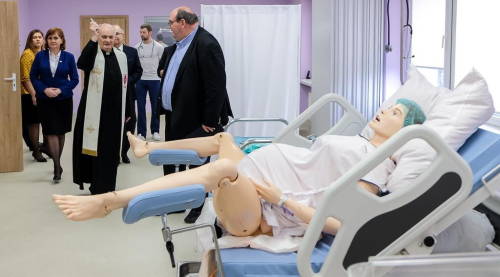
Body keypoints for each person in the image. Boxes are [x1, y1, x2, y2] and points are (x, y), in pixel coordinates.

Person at [53, 100, 425, 239]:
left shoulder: (378, 167)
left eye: (396, 113)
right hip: (258, 175)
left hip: (263, 209)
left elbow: (346, 225)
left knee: (223, 169)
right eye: (389, 105)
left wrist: (283, 200)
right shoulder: (361, 143)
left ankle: (109, 201)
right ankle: (147, 147)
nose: (385, 109)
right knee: (221, 140)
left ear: (406, 131)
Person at [157, 6, 233, 223]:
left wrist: (210, 122)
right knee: (171, 160)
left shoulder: (206, 44)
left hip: (198, 120)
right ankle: (175, 201)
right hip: (175, 115)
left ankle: (196, 206)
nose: (169, 27)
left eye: (171, 22)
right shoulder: (177, 47)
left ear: (182, 22)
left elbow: (216, 85)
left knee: (197, 166)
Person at [72, 21, 128, 194]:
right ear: (98, 38)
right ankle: (96, 184)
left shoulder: (121, 56)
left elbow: (127, 85)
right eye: (104, 36)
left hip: (114, 114)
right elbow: (81, 63)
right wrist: (93, 38)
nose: (108, 40)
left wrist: (128, 111)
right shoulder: (93, 54)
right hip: (94, 112)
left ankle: (108, 185)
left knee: (110, 152)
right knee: (95, 150)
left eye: (111, 37)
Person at [30, 28, 79, 182]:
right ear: (47, 41)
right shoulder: (40, 56)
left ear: (61, 40)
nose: (52, 40)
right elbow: (33, 76)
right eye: (50, 38)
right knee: (50, 131)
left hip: (63, 99)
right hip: (45, 100)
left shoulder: (69, 57)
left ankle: (57, 162)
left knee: (61, 132)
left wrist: (61, 90)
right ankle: (57, 166)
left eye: (56, 38)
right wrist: (44, 89)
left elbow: (75, 79)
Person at [113, 25, 143, 164]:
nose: (116, 36)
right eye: (113, 34)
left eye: (118, 33)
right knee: (113, 124)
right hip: (111, 95)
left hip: (129, 94)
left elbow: (138, 70)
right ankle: (113, 153)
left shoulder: (131, 51)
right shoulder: (104, 52)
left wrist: (128, 81)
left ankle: (124, 152)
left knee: (130, 124)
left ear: (123, 35)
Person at [20, 29, 47, 162]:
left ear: (43, 40)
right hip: (29, 94)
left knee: (43, 122)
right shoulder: (27, 54)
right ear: (30, 40)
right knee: (34, 124)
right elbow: (25, 78)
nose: (37, 39)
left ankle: (42, 147)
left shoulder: (43, 54)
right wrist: (33, 94)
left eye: (39, 37)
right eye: (34, 37)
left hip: (42, 92)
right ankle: (36, 151)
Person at [134, 24, 164, 141]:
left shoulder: (158, 47)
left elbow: (162, 64)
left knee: (155, 107)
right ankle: (141, 132)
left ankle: (155, 131)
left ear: (150, 32)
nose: (142, 34)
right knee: (140, 107)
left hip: (155, 80)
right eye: (140, 32)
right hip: (140, 80)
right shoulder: (136, 47)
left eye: (144, 32)